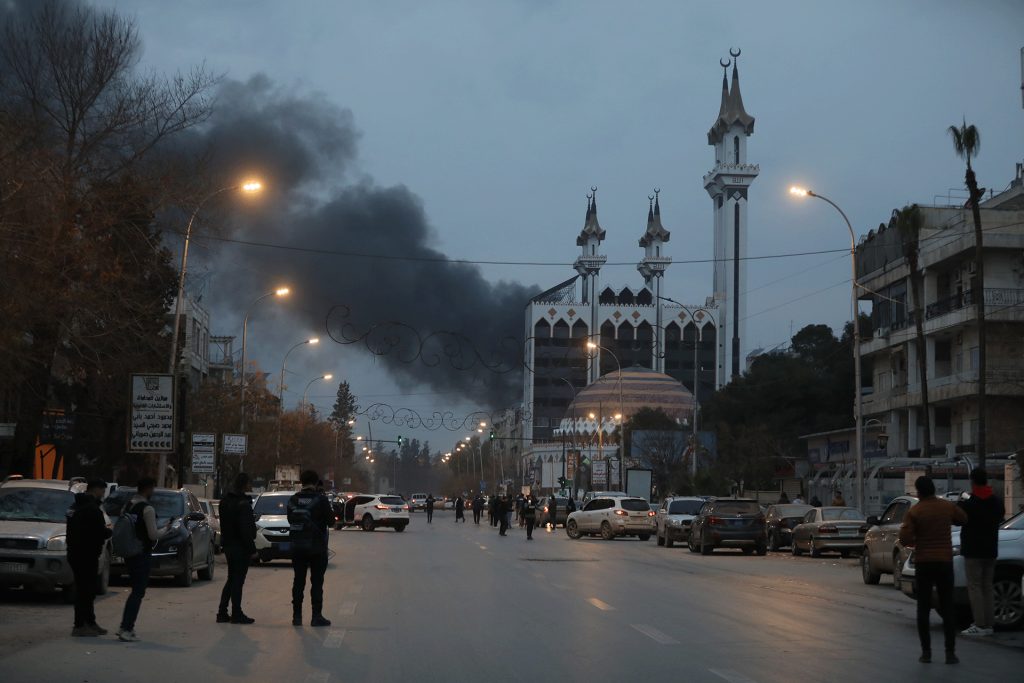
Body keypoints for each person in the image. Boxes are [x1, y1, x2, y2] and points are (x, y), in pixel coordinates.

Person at [898, 476, 968, 665]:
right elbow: (963, 519)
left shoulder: (915, 511)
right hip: (944, 562)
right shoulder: (947, 506)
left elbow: (904, 538)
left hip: (924, 563)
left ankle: (926, 652)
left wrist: (916, 533)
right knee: (947, 607)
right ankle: (950, 653)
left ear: (919, 491)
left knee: (923, 608)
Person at [117, 476, 172, 642]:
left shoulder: (127, 506)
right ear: (148, 490)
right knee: (138, 592)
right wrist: (166, 529)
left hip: (129, 553)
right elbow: (153, 535)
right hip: (141, 554)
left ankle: (124, 626)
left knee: (135, 591)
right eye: (152, 489)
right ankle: (127, 629)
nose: (153, 492)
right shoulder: (147, 509)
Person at [958, 468, 1005, 637]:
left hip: (973, 551)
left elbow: (958, 519)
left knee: (975, 588)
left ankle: (979, 624)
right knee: (987, 587)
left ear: (972, 482)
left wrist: (960, 502)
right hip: (990, 550)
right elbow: (1000, 516)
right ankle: (989, 624)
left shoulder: (969, 503)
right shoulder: (997, 502)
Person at [67, 477, 113, 637]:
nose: (102, 495)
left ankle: (90, 622)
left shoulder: (75, 506)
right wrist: (110, 530)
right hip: (86, 555)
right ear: (97, 490)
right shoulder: (91, 509)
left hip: (75, 553)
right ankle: (80, 625)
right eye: (102, 491)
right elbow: (100, 531)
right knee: (85, 591)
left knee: (87, 589)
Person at [288, 470, 334, 627]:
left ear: (301, 482)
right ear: (316, 482)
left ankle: (297, 616)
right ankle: (316, 616)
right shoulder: (321, 499)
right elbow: (331, 522)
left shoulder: (293, 499)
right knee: (317, 582)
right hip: (317, 548)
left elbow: (290, 520)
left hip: (297, 547)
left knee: (298, 580)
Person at [217, 472, 259, 624]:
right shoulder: (243, 504)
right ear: (246, 485)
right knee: (238, 581)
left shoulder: (225, 502)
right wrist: (253, 551)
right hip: (240, 547)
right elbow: (245, 531)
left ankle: (222, 612)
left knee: (231, 579)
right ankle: (236, 613)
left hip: (228, 545)